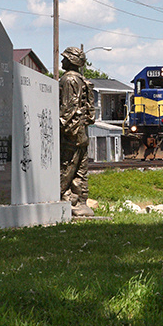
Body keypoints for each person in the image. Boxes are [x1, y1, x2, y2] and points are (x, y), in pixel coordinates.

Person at [59, 47, 96, 217]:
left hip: (71, 132)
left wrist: (60, 126)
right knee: (80, 170)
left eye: (65, 58)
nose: (62, 61)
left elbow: (69, 107)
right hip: (81, 130)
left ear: (71, 61)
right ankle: (80, 202)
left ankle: (62, 198)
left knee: (67, 166)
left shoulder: (69, 79)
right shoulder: (81, 79)